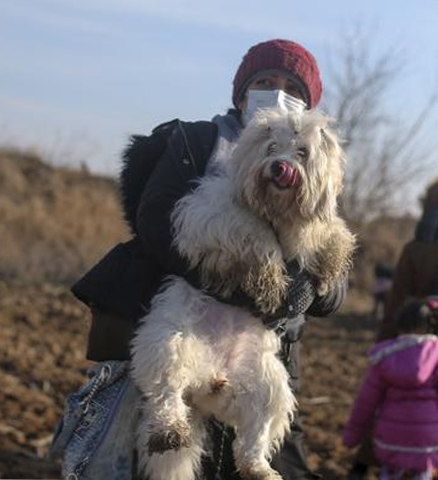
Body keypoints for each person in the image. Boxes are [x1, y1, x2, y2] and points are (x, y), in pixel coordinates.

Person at [54, 39, 345, 480]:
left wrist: (302, 293)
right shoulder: (196, 140)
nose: (278, 93)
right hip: (187, 316)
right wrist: (225, 280)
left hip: (263, 345)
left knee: (270, 430)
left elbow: (334, 279)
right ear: (241, 92)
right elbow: (156, 221)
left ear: (309, 106)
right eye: (265, 82)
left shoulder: (319, 171)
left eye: (292, 88)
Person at [348, 177, 438, 480]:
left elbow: (396, 303)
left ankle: (368, 463)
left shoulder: (415, 248)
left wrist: (384, 347)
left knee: (388, 407)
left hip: (408, 346)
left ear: (428, 206)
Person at [343, 299, 438, 480]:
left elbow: (365, 403)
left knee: (389, 473)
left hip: (391, 439)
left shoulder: (384, 357)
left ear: (400, 325)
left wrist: (352, 436)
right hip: (427, 443)